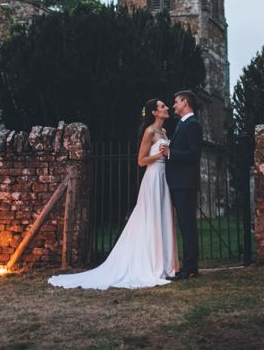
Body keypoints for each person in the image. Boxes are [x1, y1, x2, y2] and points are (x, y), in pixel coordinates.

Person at [48, 99, 178, 289]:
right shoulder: (149, 132)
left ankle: (164, 264)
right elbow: (141, 161)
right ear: (154, 113)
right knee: (151, 217)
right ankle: (150, 263)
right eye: (162, 106)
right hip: (153, 177)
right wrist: (160, 155)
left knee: (162, 217)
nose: (166, 108)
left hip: (163, 176)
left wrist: (168, 153)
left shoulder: (164, 132)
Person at [161, 90, 202, 280]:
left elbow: (194, 154)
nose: (174, 105)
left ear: (185, 103)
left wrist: (171, 152)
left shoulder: (192, 124)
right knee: (185, 226)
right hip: (179, 182)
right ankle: (189, 266)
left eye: (176, 102)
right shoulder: (183, 124)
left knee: (187, 226)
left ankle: (190, 268)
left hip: (185, 183)